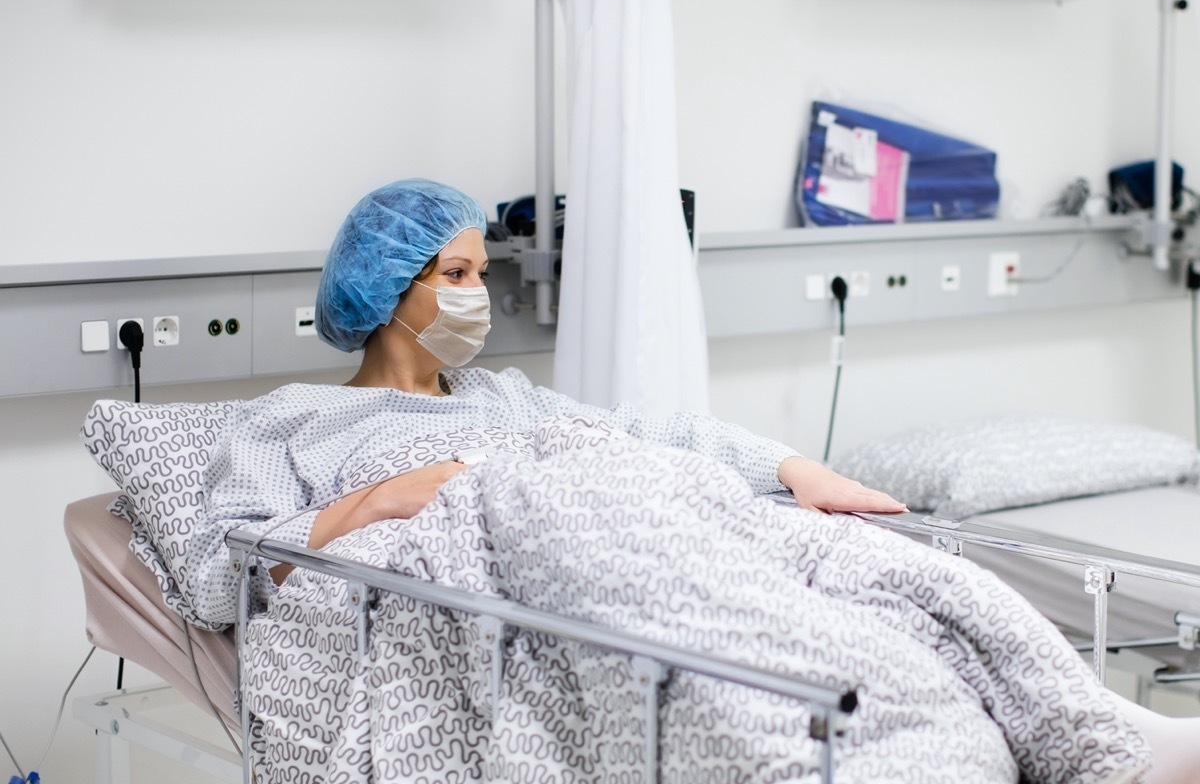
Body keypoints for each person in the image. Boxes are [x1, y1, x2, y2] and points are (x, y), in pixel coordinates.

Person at [192, 178, 1200, 784]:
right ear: (381, 290)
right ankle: (887, 751)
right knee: (651, 575)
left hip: (609, 498)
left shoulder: (515, 399)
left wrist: (796, 471)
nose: (477, 294)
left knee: (856, 559)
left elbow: (654, 435)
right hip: (492, 526)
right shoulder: (291, 419)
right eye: (451, 276)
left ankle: (1100, 730)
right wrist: (388, 497)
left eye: (478, 272)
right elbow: (217, 564)